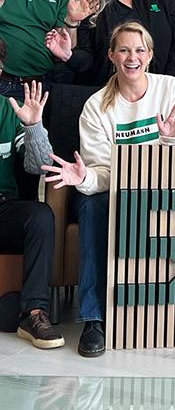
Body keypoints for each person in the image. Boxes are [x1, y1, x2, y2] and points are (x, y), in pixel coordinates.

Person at [41, 22, 175, 358]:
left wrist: (169, 141)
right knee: (92, 205)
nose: (132, 57)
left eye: (139, 50)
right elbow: (100, 172)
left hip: (165, 189)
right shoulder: (96, 106)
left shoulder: (171, 90)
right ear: (111, 55)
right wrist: (84, 178)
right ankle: (93, 318)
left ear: (150, 55)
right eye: (124, 50)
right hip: (114, 192)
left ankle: (169, 313)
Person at [0, 63, 63, 350]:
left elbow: (39, 165)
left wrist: (33, 126)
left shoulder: (9, 109)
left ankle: (33, 313)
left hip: (4, 210)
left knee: (40, 216)